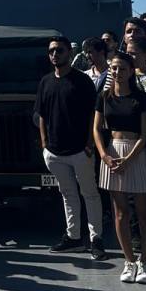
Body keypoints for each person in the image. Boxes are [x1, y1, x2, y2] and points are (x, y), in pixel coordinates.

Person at [34, 36, 104, 259]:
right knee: (67, 194)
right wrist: (44, 143)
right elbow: (41, 114)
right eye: (51, 51)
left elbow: (94, 114)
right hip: (54, 152)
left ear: (69, 54)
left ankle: (96, 240)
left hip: (80, 151)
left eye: (59, 50)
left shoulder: (82, 81)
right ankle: (74, 237)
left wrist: (89, 143)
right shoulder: (45, 82)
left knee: (89, 194)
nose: (55, 54)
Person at [94, 52, 146, 282]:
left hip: (136, 154)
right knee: (120, 213)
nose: (117, 72)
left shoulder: (140, 98)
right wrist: (104, 155)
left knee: (144, 214)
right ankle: (129, 261)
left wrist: (129, 158)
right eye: (114, 68)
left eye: (122, 68)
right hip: (112, 153)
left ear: (130, 71)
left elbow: (145, 134)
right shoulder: (103, 97)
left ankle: (145, 261)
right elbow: (96, 128)